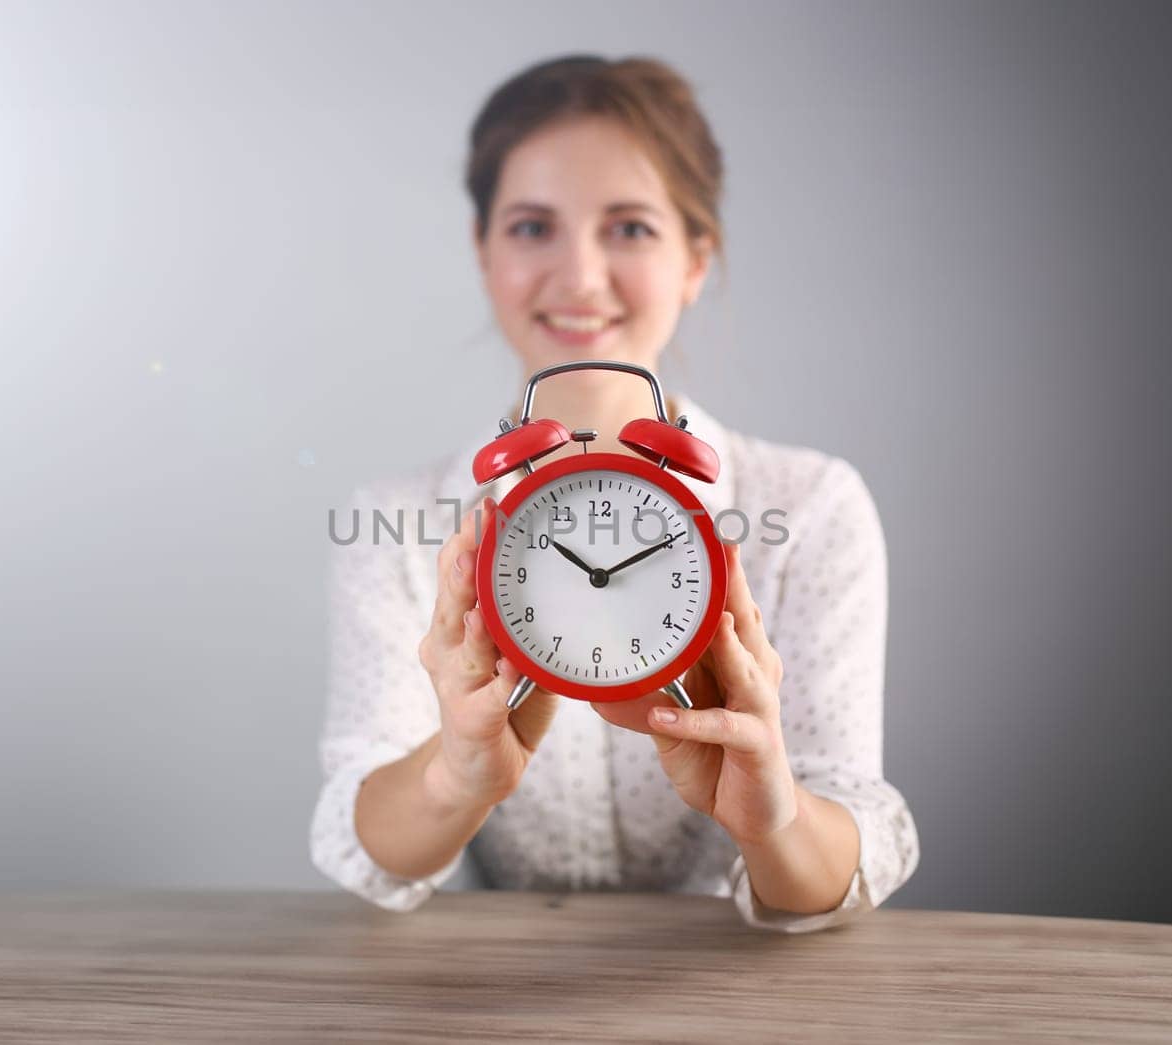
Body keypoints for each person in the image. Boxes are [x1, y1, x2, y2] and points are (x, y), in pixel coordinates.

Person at [310, 55, 919, 932]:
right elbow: (359, 843)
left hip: (732, 994)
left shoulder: (811, 506)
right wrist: (455, 773)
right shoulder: (403, 525)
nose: (582, 277)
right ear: (483, 252)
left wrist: (771, 813)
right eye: (530, 228)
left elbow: (852, 831)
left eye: (630, 228)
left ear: (696, 258)